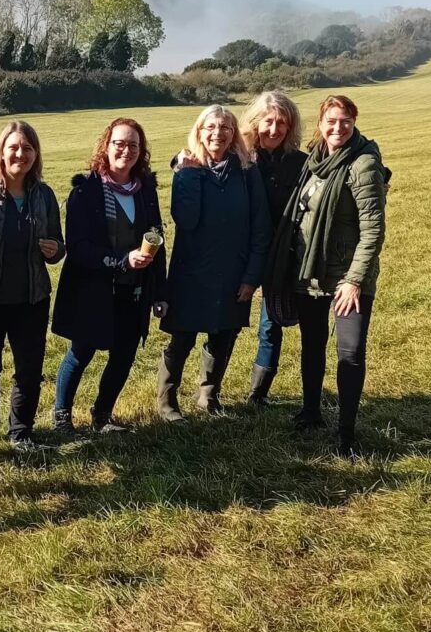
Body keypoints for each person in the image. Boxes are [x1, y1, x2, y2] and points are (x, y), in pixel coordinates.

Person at [264, 94, 387, 456]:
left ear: (353, 123)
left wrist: (354, 281)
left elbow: (373, 231)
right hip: (310, 274)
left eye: (345, 122)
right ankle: (310, 411)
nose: (338, 128)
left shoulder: (362, 164)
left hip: (348, 279)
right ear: (320, 124)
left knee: (349, 354)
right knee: (312, 346)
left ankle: (346, 431)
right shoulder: (314, 162)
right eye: (331, 121)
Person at [158, 105, 272, 421]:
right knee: (182, 337)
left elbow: (261, 227)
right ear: (199, 131)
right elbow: (186, 219)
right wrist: (190, 173)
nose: (217, 134)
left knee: (224, 334)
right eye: (210, 127)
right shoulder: (187, 171)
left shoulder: (247, 173)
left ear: (234, 133)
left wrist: (251, 276)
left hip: (233, 271)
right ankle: (167, 401)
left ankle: (209, 395)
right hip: (191, 273)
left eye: (224, 127)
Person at [52, 117, 167, 433]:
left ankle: (102, 416)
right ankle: (62, 417)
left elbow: (156, 238)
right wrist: (121, 260)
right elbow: (78, 248)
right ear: (106, 146)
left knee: (124, 355)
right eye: (119, 143)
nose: (126, 151)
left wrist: (159, 292)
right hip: (94, 289)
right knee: (81, 352)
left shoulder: (146, 191)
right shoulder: (86, 191)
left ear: (140, 151)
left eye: (133, 145)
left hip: (135, 291)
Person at [0, 121, 64, 448]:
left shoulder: (44, 195)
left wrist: (55, 250)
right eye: (14, 147)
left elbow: (58, 248)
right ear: (1, 151)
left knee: (29, 370)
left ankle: (21, 432)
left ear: (35, 154)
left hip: (32, 297)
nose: (20, 154)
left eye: (27, 148)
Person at [239, 90, 307, 405]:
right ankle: (208, 394)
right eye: (269, 121)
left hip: (282, 255)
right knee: (226, 321)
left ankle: (257, 394)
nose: (274, 129)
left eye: (282, 123)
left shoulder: (300, 162)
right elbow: (201, 159)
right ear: (256, 122)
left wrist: (377, 176)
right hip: (242, 251)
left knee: (272, 322)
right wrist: (179, 161)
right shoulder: (240, 157)